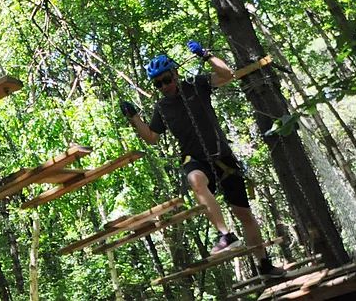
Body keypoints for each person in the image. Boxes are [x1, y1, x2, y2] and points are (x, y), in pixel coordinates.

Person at [120, 41, 285, 278]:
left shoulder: (195, 85)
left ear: (175, 73)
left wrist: (205, 55)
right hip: (194, 158)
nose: (164, 86)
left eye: (166, 79)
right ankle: (225, 235)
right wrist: (134, 117)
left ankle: (264, 265)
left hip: (222, 157)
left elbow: (227, 75)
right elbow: (152, 137)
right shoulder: (162, 107)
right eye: (158, 84)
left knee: (244, 214)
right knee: (196, 180)